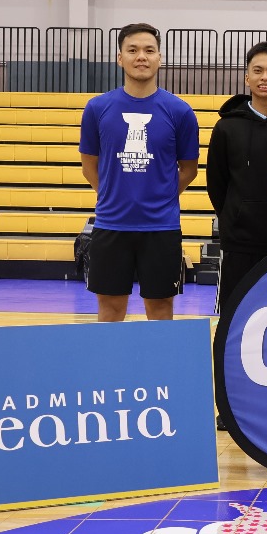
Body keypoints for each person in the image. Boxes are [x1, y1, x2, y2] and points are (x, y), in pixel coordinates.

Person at [79, 22, 200, 322]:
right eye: (132, 50)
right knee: (109, 309)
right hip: (111, 225)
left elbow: (189, 169)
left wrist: (159, 197)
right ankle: (107, 370)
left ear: (160, 58)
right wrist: (113, 194)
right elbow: (88, 165)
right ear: (120, 58)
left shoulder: (180, 111)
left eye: (149, 50)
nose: (141, 57)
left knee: (160, 310)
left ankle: (158, 371)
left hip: (161, 228)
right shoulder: (97, 108)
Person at [206, 41, 267, 306]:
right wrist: (233, 217)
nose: (264, 77)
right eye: (257, 70)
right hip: (239, 241)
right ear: (247, 77)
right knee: (235, 314)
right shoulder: (226, 127)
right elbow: (217, 184)